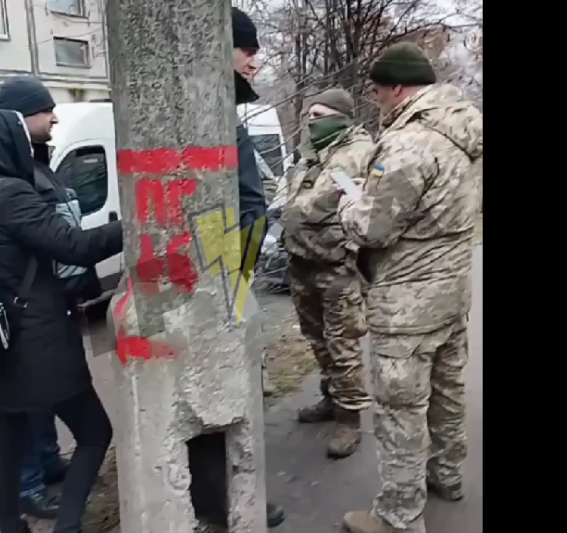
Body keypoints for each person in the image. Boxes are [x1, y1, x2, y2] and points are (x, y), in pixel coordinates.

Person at [337, 43, 483, 533]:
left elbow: (373, 230)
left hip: (407, 306)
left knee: (401, 408)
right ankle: (447, 474)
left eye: (378, 91)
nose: (377, 100)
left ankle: (399, 516)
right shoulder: (466, 129)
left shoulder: (408, 144)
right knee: (447, 391)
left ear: (396, 88)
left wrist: (348, 203)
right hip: (452, 291)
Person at [0, 109, 123, 533]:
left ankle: (12, 525)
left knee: (9, 443)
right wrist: (137, 224)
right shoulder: (10, 193)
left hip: (3, 340)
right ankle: (68, 526)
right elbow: (73, 246)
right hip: (37, 339)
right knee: (94, 432)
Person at [279, 88, 375, 459]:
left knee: (343, 345)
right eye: (308, 115)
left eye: (318, 115)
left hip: (336, 268)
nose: (311, 122)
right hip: (302, 263)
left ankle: (349, 420)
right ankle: (331, 398)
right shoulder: (310, 155)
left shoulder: (358, 154)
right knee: (317, 341)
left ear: (340, 116)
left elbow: (359, 205)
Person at [231, 7, 284, 527]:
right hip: (219, 279)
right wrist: (235, 277)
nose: (256, 57)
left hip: (230, 276)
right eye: (248, 47)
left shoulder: (224, 109)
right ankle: (227, 498)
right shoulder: (204, 111)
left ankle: (231, 492)